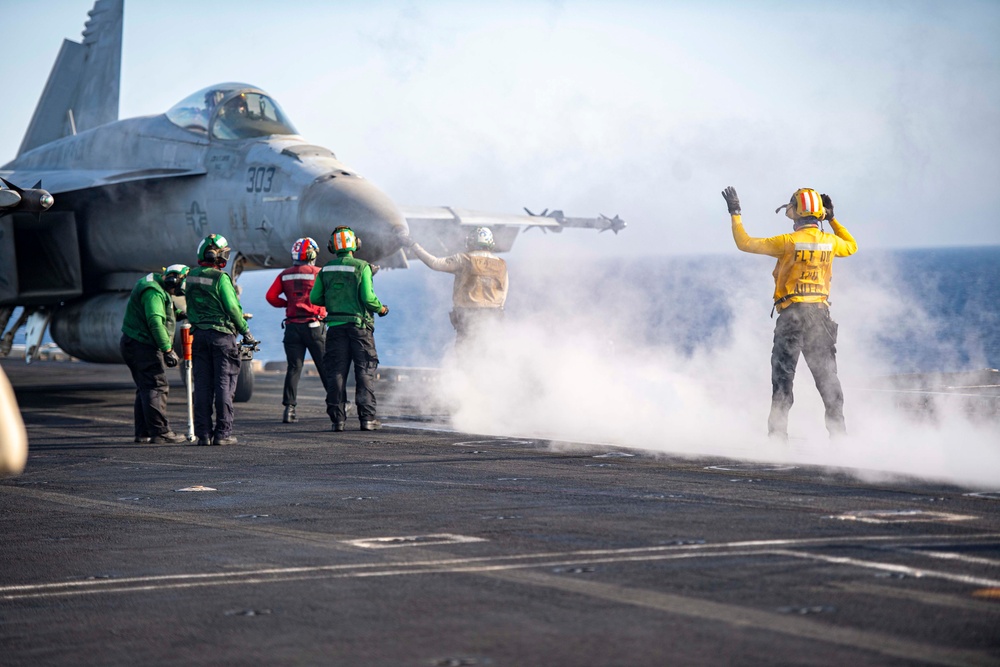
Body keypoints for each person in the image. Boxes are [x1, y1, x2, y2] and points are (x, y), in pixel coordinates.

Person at [722, 186, 858, 440]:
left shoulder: (787, 242)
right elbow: (852, 246)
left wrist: (735, 212)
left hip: (792, 318)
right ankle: (840, 440)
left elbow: (745, 243)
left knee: (783, 382)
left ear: (796, 213)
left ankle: (777, 440)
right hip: (820, 317)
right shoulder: (830, 242)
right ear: (818, 213)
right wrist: (832, 219)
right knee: (828, 382)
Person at [310, 226, 389, 431]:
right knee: (364, 370)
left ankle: (338, 420)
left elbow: (315, 298)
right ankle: (367, 419)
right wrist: (381, 309)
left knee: (336, 372)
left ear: (332, 246)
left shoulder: (326, 269)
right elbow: (368, 299)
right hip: (360, 328)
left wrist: (335, 298)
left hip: (335, 328)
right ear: (355, 244)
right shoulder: (363, 267)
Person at [185, 234, 256, 445]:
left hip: (199, 337)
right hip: (221, 337)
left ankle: (203, 435)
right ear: (214, 255)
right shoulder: (220, 278)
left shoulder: (190, 276)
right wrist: (246, 331)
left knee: (203, 386)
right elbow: (233, 308)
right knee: (224, 385)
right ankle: (223, 434)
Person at [398, 226, 508, 344]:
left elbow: (434, 263)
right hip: (494, 316)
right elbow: (504, 292)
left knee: (464, 354)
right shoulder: (501, 264)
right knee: (490, 352)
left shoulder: (464, 259)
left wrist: (413, 245)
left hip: (468, 317)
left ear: (471, 241)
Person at [119, 265, 190, 444]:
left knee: (145, 388)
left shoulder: (155, 285)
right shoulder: (153, 292)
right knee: (157, 386)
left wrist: (179, 314)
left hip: (133, 344)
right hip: (142, 346)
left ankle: (143, 433)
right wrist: (167, 349)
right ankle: (161, 432)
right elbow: (155, 322)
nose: (176, 291)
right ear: (172, 280)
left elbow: (161, 310)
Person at [265, 237, 328, 423]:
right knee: (325, 367)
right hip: (314, 327)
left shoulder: (285, 274)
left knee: (294, 368)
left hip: (292, 327)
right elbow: (329, 296)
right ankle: (337, 403)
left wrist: (288, 304)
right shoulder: (319, 273)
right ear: (313, 254)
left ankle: (289, 410)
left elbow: (271, 296)